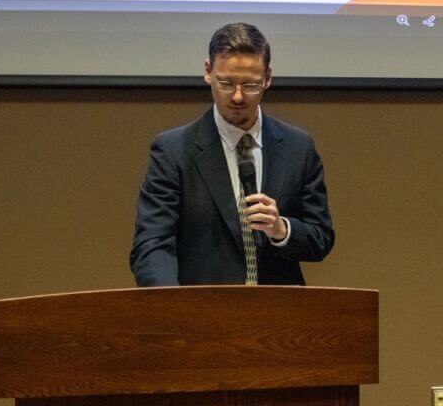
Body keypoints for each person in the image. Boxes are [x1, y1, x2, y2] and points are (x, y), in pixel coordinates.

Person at [130, 22, 334, 286]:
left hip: (277, 307)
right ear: (207, 72)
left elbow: (320, 237)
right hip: (201, 307)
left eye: (250, 85)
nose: (237, 97)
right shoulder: (173, 151)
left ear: (268, 78)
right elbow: (151, 245)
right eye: (226, 83)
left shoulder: (298, 147)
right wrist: (174, 304)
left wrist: (281, 229)